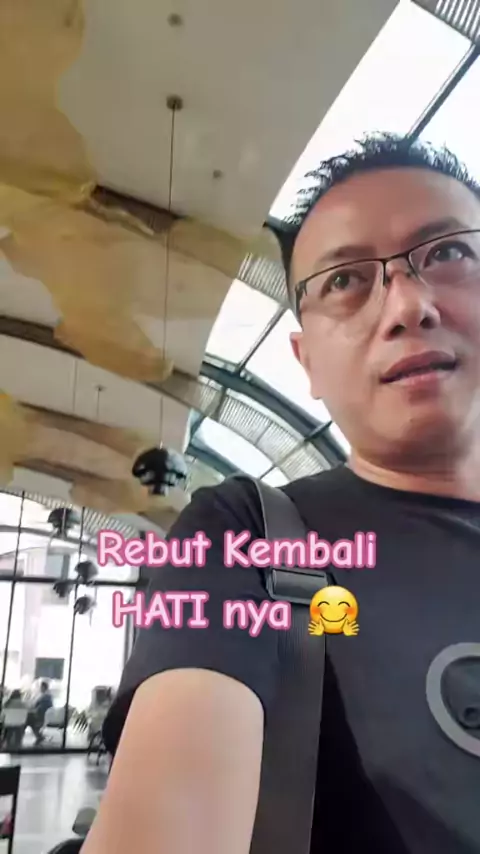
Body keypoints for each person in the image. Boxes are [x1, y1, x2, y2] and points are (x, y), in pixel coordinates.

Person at [83, 134, 480, 854]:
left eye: (448, 251)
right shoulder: (248, 538)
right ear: (307, 361)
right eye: (344, 280)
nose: (407, 305)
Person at [26, 680, 53, 745]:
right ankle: (39, 736)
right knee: (29, 720)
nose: (40, 689)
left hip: (40, 717)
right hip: (43, 716)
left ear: (43, 687)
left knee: (27, 719)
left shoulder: (44, 697)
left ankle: (38, 736)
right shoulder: (48, 697)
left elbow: (36, 706)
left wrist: (32, 708)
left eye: (40, 687)